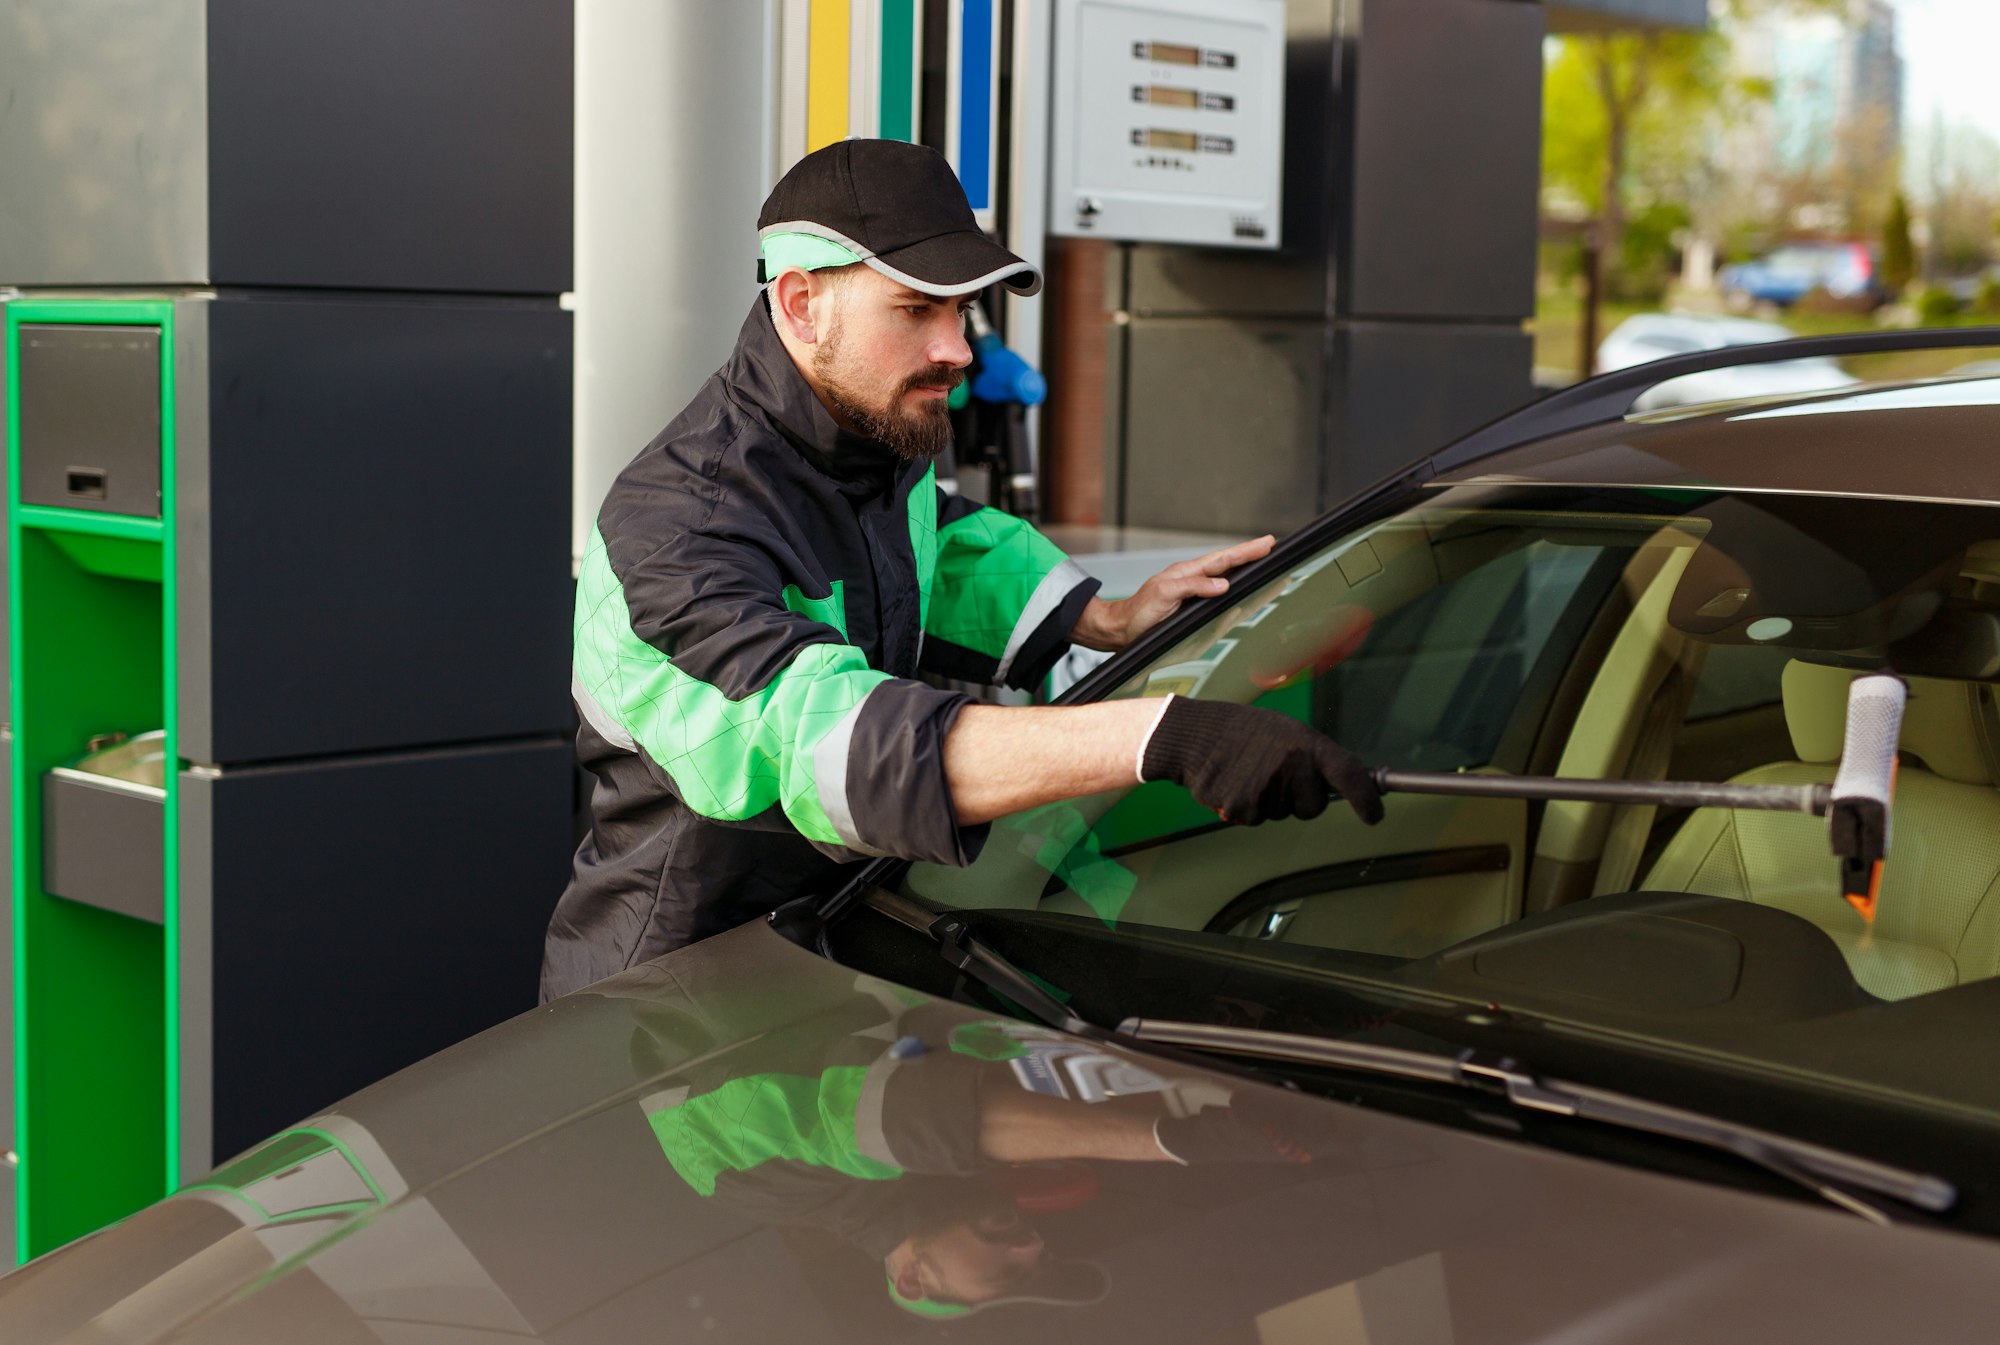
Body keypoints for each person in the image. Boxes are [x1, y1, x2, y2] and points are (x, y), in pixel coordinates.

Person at [542, 139, 1382, 1000]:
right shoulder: (677, 530)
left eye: (963, 309)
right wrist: (1162, 736)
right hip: (662, 1016)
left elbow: (935, 546)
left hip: (832, 958)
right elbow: (833, 739)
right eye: (916, 310)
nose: (959, 349)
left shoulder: (868, 440)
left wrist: (1108, 618)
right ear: (800, 305)